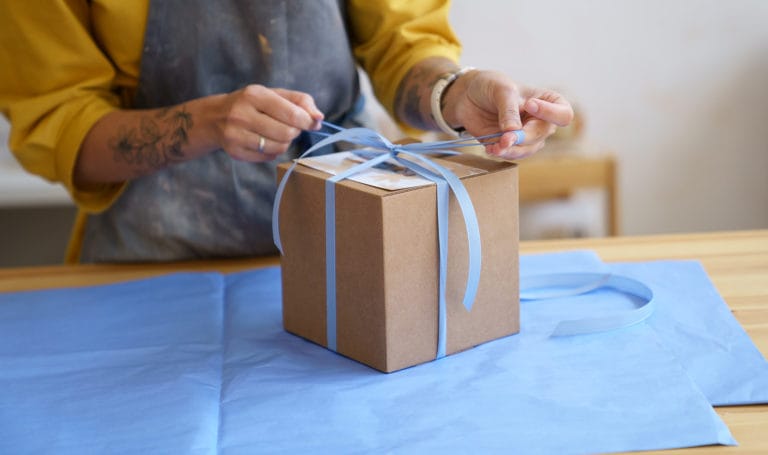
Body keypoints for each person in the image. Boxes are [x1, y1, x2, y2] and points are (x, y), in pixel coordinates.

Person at [0, 1, 573, 263]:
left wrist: (452, 93)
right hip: (150, 262)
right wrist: (202, 124)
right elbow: (60, 123)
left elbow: (404, 43)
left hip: (341, 245)